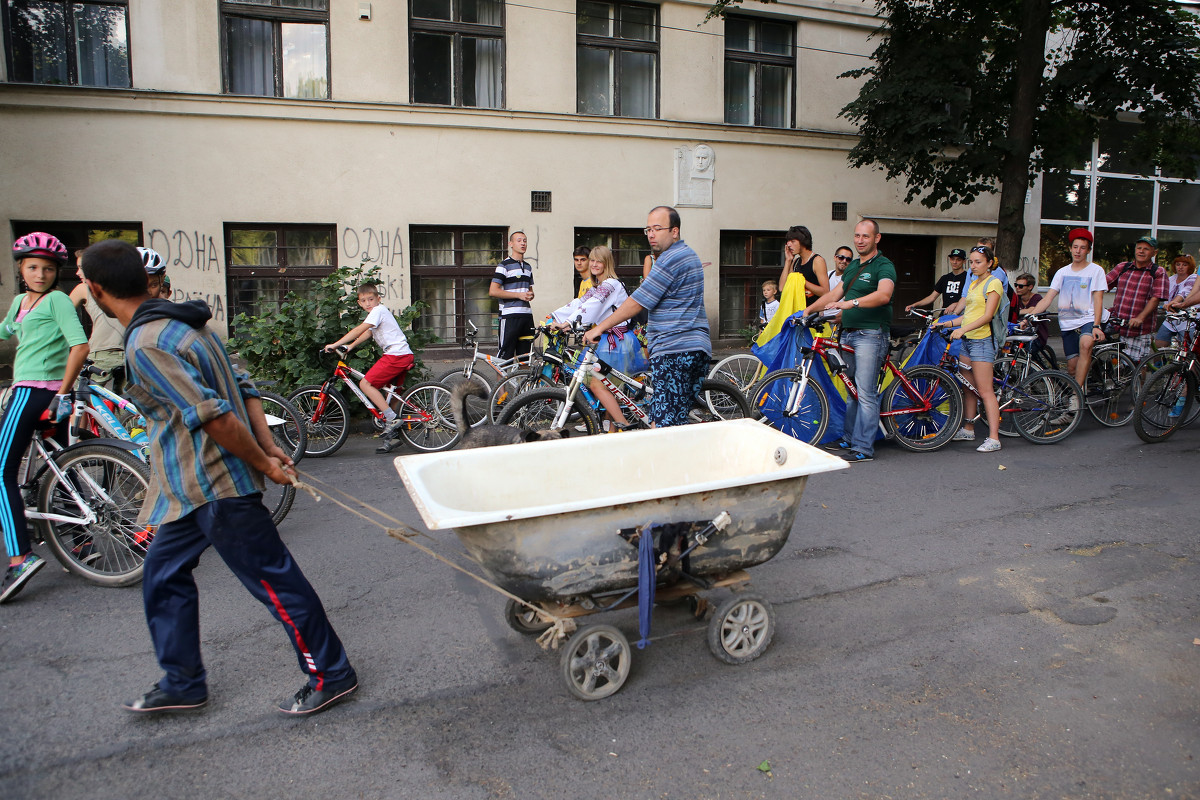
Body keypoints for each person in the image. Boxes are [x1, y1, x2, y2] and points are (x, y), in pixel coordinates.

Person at [80, 239, 357, 716]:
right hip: (186, 487)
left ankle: (332, 674)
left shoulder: (149, 343)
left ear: (97, 290)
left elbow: (214, 417)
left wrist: (266, 458)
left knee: (275, 584)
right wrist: (267, 445)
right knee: (162, 577)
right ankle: (183, 681)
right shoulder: (184, 324)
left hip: (216, 486)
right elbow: (243, 386)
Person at [0, 233, 89, 603]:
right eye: (33, 267)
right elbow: (7, 330)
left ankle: (20, 557)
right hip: (45, 395)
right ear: (21, 269)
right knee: (60, 467)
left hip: (35, 392)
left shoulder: (56, 301)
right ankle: (85, 548)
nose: (40, 273)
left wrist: (61, 392)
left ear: (57, 273)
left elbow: (80, 344)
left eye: (48, 268)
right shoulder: (21, 302)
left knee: (2, 470)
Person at [583, 206, 710, 427]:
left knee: (662, 425)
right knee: (671, 421)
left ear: (674, 231)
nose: (651, 234)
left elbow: (637, 301)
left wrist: (598, 328)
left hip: (676, 350)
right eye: (648, 229)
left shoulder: (671, 259)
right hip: (690, 346)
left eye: (658, 228)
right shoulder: (686, 254)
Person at [804, 219, 897, 463]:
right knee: (851, 390)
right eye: (857, 236)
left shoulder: (884, 265)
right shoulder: (854, 265)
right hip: (849, 332)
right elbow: (834, 294)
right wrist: (806, 311)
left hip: (870, 334)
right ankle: (849, 437)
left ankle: (864, 448)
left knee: (865, 392)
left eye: (865, 236)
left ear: (876, 238)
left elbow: (884, 295)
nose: (860, 240)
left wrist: (851, 303)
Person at [549, 245, 634, 430]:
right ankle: (613, 431)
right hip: (607, 340)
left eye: (599, 261)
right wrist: (554, 317)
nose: (594, 264)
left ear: (607, 263)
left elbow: (592, 306)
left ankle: (624, 425)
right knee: (608, 387)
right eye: (592, 260)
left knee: (598, 385)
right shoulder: (599, 286)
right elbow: (579, 303)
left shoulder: (611, 284)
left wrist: (567, 324)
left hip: (616, 341)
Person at [935, 246, 1004, 453]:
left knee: (985, 390)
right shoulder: (974, 283)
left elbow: (987, 316)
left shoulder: (994, 283)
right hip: (967, 340)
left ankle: (994, 438)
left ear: (990, 263)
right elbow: (968, 315)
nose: (973, 266)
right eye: (971, 262)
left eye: (978, 262)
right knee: (967, 386)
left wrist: (962, 329)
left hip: (982, 342)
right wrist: (945, 324)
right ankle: (968, 428)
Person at [324, 282, 414, 440]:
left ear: (378, 299)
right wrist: (350, 346)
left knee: (365, 384)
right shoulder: (377, 313)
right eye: (364, 300)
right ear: (359, 302)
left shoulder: (378, 310)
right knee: (391, 396)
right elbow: (368, 333)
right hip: (402, 354)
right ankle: (393, 438)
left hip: (396, 355)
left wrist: (335, 344)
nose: (367, 303)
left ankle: (392, 420)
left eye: (371, 299)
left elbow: (359, 329)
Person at [1020, 228, 1106, 388]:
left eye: (1082, 247)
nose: (1078, 251)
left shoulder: (1096, 271)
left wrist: (1096, 325)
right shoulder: (1062, 272)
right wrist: (1029, 317)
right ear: (1070, 248)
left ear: (1088, 250)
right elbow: (1047, 299)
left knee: (1086, 344)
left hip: (1088, 320)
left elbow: (1098, 299)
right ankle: (1083, 385)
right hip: (1068, 324)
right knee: (1072, 368)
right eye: (1075, 247)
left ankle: (1076, 397)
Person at [70, 248, 130, 390]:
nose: (77, 273)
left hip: (100, 354)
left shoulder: (84, 288)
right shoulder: (127, 289)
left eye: (80, 268)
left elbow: (60, 315)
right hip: (128, 355)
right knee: (126, 405)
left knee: (76, 398)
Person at [1106, 235, 1169, 363]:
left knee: (1136, 366)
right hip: (1117, 323)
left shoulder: (1158, 272)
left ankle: (1138, 383)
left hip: (1139, 328)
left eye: (1146, 249)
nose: (1141, 251)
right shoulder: (1123, 267)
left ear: (1154, 252)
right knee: (1110, 359)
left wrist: (1140, 318)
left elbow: (1156, 298)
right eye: (1139, 248)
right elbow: (1101, 286)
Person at [490, 230, 535, 360]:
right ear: (511, 244)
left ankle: (523, 381)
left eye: (525, 241)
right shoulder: (503, 265)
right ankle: (501, 381)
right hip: (510, 316)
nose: (523, 243)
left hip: (526, 316)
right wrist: (518, 295)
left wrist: (530, 295)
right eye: (519, 240)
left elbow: (529, 290)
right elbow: (493, 291)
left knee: (525, 358)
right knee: (504, 359)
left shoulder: (528, 267)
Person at [777, 225, 831, 304]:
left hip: (812, 312)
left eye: (793, 241)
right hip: (797, 312)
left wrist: (802, 281)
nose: (788, 244)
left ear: (803, 241)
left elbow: (825, 291)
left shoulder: (817, 261)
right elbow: (782, 288)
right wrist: (788, 261)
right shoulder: (796, 262)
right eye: (788, 241)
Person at [906, 248, 968, 313]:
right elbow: (932, 297)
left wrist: (956, 304)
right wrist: (914, 305)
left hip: (961, 315)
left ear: (964, 261)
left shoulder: (968, 278)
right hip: (944, 314)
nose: (955, 262)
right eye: (953, 259)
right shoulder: (944, 278)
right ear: (949, 260)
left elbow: (972, 299)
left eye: (958, 260)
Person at [1154, 253, 1195, 349]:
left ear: (1190, 266)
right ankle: (1161, 364)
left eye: (1184, 265)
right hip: (1171, 319)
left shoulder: (1193, 278)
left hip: (1187, 321)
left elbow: (1184, 293)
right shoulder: (1170, 279)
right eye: (1178, 264)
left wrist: (1172, 304)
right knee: (1159, 344)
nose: (1180, 267)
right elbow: (1160, 293)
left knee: (1188, 349)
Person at [1009, 272, 1051, 361]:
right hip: (1019, 334)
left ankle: (1034, 373)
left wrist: (1017, 312)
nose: (1017, 288)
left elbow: (1032, 310)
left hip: (1037, 335)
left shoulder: (1037, 298)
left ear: (1030, 287)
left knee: (1030, 353)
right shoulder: (1016, 298)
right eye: (1016, 285)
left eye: (1021, 286)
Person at [823, 246, 854, 322]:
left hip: (838, 323)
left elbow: (849, 306)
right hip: (823, 322)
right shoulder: (828, 275)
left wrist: (834, 319)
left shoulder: (851, 279)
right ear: (835, 258)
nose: (844, 261)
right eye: (841, 257)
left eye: (848, 259)